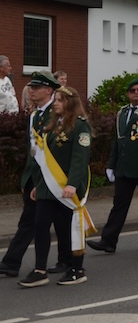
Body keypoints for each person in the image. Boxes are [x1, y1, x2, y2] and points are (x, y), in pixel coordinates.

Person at [19, 85, 93, 287]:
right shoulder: (52, 125)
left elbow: (79, 159)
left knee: (68, 228)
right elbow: (46, 160)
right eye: (56, 100)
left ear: (70, 103)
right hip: (48, 186)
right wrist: (39, 185)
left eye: (60, 100)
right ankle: (40, 270)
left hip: (67, 188)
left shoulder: (80, 126)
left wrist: (72, 184)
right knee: (40, 225)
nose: (55, 104)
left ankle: (76, 269)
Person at [87, 77, 138, 254]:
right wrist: (111, 165)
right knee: (119, 205)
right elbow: (119, 141)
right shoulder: (122, 112)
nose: (136, 93)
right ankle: (108, 240)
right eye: (133, 91)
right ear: (128, 94)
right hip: (124, 168)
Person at [0, 70, 59, 279]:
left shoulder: (57, 114)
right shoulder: (35, 115)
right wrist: (27, 179)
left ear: (49, 90)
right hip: (35, 178)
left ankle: (69, 262)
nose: (31, 91)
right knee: (30, 221)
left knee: (61, 222)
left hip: (53, 178)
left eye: (36, 87)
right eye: (31, 87)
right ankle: (11, 263)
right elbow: (32, 151)